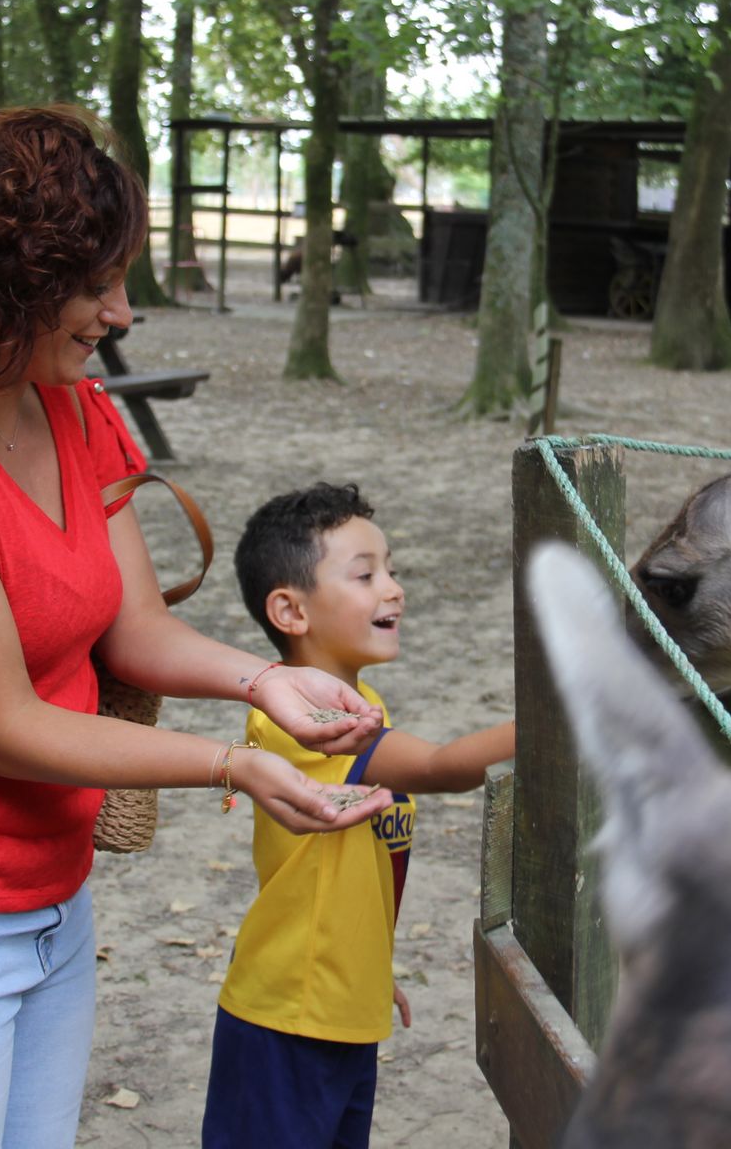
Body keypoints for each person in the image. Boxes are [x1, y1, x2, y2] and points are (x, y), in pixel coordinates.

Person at [0, 106, 393, 1149]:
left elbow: (130, 625)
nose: (121, 311)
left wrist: (260, 681)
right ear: (0, 284)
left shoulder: (71, 406)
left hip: (49, 904)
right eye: (94, 285)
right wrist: (232, 768)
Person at [203, 483, 516, 1149]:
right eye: (366, 574)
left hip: (343, 1009)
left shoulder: (361, 698)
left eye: (392, 569)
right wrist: (559, 709)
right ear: (290, 610)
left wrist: (372, 974)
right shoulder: (302, 721)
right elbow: (441, 770)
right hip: (288, 1015)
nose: (394, 588)